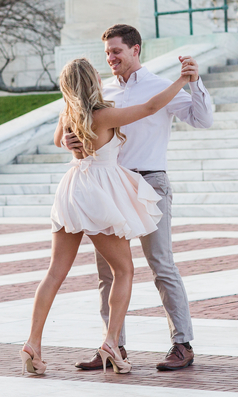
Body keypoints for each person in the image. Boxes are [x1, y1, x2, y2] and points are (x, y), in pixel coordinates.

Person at [21, 57, 192, 376]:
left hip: (71, 188)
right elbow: (151, 107)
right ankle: (112, 343)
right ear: (93, 81)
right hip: (98, 191)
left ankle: (33, 343)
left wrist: (69, 140)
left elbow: (58, 140)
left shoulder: (68, 114)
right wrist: (182, 81)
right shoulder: (103, 115)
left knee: (55, 272)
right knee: (124, 270)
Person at [65, 24, 214, 372]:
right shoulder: (101, 93)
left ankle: (182, 344)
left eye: (116, 51)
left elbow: (202, 119)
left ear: (135, 50)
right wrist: (71, 143)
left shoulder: (161, 86)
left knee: (161, 263)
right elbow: (80, 132)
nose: (111, 58)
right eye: (107, 53)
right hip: (109, 185)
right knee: (107, 271)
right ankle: (113, 346)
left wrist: (194, 82)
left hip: (149, 182)